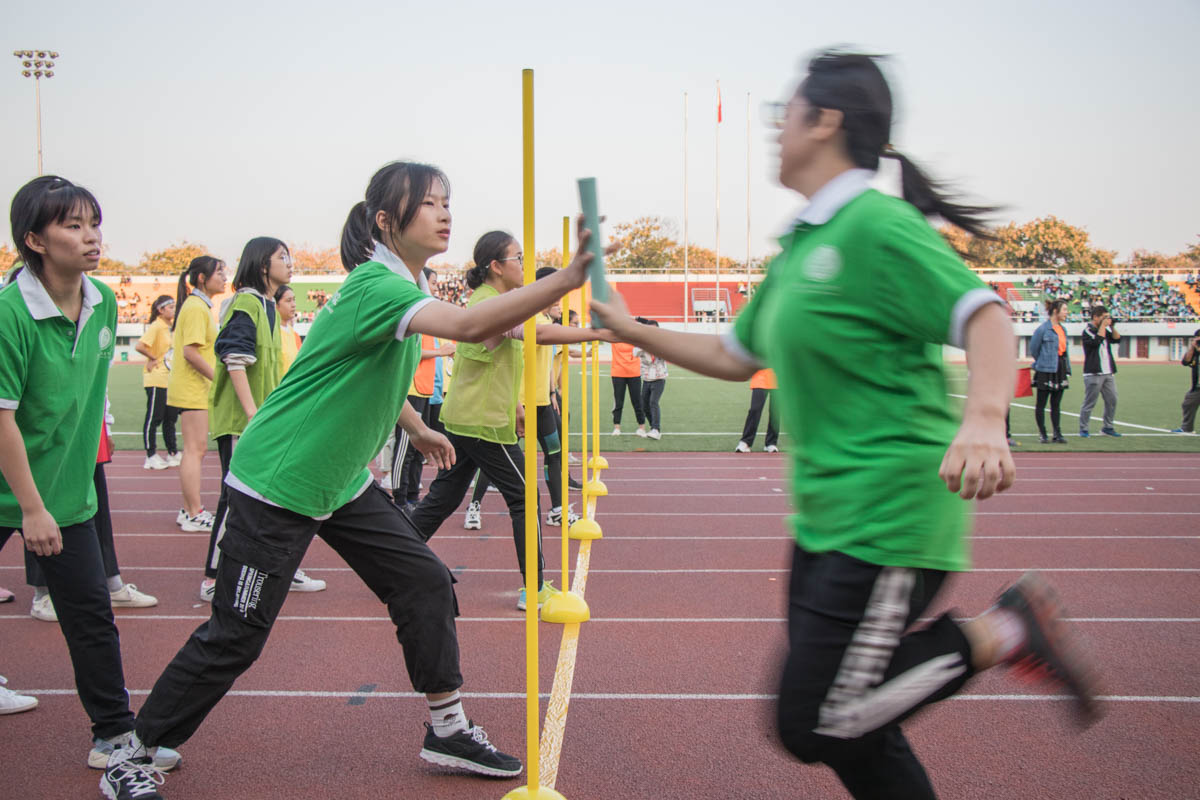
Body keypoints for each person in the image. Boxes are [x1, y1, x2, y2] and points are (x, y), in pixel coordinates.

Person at [590, 52, 1098, 800]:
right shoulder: (800, 245)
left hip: (890, 513)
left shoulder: (876, 225)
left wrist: (986, 418)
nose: (773, 130)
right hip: (825, 522)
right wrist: (628, 328)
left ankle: (1006, 630)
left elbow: (984, 314)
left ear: (824, 121)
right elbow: (736, 353)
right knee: (859, 731)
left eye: (782, 113)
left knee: (816, 719)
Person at [101, 161, 601, 798]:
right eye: (429, 204)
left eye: (449, 202)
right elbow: (476, 325)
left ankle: (446, 727)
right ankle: (134, 753)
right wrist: (568, 277)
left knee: (422, 580)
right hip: (279, 480)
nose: (445, 213)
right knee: (237, 635)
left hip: (337, 482)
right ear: (387, 221)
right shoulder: (378, 286)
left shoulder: (397, 287)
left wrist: (415, 427)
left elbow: (354, 367)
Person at [0, 176, 180, 775]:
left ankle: (113, 736)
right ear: (34, 239)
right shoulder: (9, 314)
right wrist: (30, 508)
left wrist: (59, 494)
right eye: (72, 226)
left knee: (91, 618)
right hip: (17, 486)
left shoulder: (102, 300)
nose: (91, 237)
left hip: (64, 492)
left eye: (93, 223)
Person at [410, 232, 611, 612]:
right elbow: (540, 333)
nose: (524, 264)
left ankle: (394, 559)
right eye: (518, 257)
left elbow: (508, 355)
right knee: (523, 496)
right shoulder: (490, 303)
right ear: (496, 267)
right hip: (480, 423)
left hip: (472, 418)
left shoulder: (497, 301)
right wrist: (598, 333)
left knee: (444, 497)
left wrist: (516, 406)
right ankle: (533, 588)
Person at [200, 237, 325, 603]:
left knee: (277, 497)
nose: (290, 263)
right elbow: (234, 357)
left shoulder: (268, 306)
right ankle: (213, 577)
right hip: (244, 423)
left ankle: (281, 566)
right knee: (236, 499)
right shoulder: (247, 302)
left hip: (264, 422)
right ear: (262, 264)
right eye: (282, 257)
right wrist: (253, 414)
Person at [28, 405, 159, 627]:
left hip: (87, 422)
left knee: (96, 500)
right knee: (42, 498)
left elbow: (99, 387)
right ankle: (43, 593)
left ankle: (112, 584)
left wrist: (105, 427)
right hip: (47, 421)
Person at [168, 255, 228, 531]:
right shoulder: (195, 307)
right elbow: (190, 352)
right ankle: (193, 512)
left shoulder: (200, 306)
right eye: (219, 272)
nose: (224, 277)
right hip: (192, 388)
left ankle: (188, 509)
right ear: (203, 278)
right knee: (195, 450)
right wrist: (218, 379)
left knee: (196, 449)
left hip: (196, 388)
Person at [134, 295, 181, 470]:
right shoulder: (156, 326)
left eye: (174, 307)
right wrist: (153, 357)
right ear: (160, 310)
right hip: (156, 378)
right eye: (170, 307)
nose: (173, 310)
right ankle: (151, 455)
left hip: (170, 378)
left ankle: (173, 453)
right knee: (155, 417)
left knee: (171, 418)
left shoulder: (171, 328)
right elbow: (140, 346)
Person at [1029, 298, 1071, 444]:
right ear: (1055, 311)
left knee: (1056, 404)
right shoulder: (1042, 329)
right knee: (1041, 403)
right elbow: (1034, 349)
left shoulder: (1063, 329)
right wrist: (1042, 362)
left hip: (1059, 368)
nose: (1067, 312)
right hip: (1045, 369)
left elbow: (1065, 351)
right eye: (1064, 309)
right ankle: (1043, 433)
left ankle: (1057, 433)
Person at [1078, 304, 1121, 438]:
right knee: (1089, 402)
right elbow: (1097, 341)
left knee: (1112, 400)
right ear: (1095, 317)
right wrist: (1103, 325)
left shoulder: (1105, 330)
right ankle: (1084, 428)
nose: (1107, 320)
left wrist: (1112, 326)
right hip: (1093, 373)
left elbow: (1117, 339)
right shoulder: (1088, 331)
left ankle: (1108, 427)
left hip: (1108, 372)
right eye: (1104, 317)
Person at [633, 318, 667, 440]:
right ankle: (654, 427)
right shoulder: (641, 342)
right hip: (646, 379)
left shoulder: (662, 342)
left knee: (653, 402)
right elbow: (635, 352)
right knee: (644, 405)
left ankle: (656, 429)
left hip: (659, 378)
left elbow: (662, 353)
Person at [735, 368, 780, 453]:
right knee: (755, 409)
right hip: (760, 377)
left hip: (778, 378)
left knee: (775, 412)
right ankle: (745, 442)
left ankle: (771, 443)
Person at [609, 339, 646, 436]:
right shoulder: (614, 337)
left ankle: (641, 427)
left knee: (637, 401)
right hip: (618, 372)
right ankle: (617, 427)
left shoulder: (634, 337)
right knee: (618, 402)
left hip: (634, 373)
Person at [1171, 329, 1200, 433]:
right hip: (1198, 387)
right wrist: (1193, 347)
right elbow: (1186, 362)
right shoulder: (1196, 351)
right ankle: (1186, 428)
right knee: (1188, 403)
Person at [274, 284, 302, 375]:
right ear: (276, 305)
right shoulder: (272, 332)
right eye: (288, 301)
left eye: (294, 300)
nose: (293, 305)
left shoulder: (294, 334)